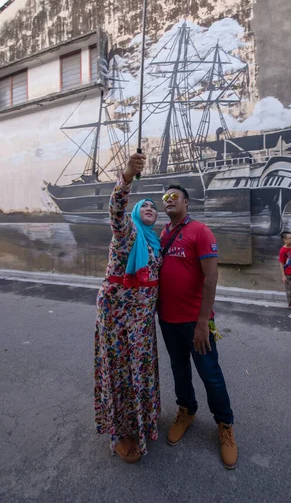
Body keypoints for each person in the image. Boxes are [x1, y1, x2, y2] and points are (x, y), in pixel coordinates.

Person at [158, 185, 238, 470]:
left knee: (210, 374)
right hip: (168, 320)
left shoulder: (200, 232)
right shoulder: (164, 234)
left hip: (196, 321)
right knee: (179, 369)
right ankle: (186, 410)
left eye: (173, 196)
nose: (168, 200)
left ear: (187, 202)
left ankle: (225, 425)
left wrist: (204, 321)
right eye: (164, 197)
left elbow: (211, 278)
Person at [94, 153, 162, 463]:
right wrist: (127, 177)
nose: (150, 208)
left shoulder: (154, 243)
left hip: (142, 320)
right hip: (119, 316)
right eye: (144, 205)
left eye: (154, 207)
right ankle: (121, 432)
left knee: (140, 368)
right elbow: (116, 210)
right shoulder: (127, 232)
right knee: (120, 370)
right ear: (136, 212)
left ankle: (141, 420)